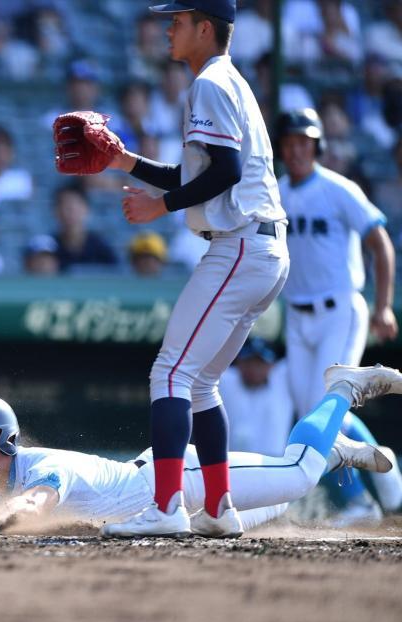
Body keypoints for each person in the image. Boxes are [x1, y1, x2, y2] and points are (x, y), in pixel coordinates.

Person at [89, 0, 290, 537]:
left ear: (206, 28)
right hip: (261, 248)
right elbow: (197, 169)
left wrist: (161, 207)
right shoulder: (228, 81)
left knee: (171, 373)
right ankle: (220, 507)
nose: (167, 28)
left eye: (176, 21)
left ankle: (165, 506)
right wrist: (125, 160)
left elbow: (221, 171)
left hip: (241, 244)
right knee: (200, 384)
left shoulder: (209, 83)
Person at [0, 365, 402, 535]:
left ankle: (342, 390)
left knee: (296, 476)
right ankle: (338, 452)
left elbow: (35, 504)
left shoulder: (42, 466)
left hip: (180, 481)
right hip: (175, 509)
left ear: (7, 438)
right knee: (277, 506)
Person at [275, 108, 402, 522]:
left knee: (326, 408)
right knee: (309, 417)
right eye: (290, 142)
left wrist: (383, 304)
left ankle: (370, 497)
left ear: (317, 146)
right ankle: (376, 483)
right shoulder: (275, 191)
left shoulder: (337, 188)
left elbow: (380, 242)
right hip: (297, 315)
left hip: (339, 308)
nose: (296, 149)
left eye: (304, 142)